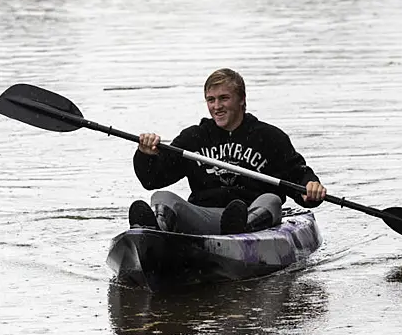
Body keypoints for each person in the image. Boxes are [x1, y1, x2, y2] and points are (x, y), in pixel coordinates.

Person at [128, 68, 327, 235]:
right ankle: (156, 233)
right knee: (162, 197)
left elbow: (298, 176)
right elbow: (151, 180)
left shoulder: (270, 137)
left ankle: (242, 227)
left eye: (224, 98)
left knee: (272, 200)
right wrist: (145, 154)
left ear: (241, 99)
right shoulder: (193, 137)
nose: (217, 106)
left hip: (254, 217)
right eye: (211, 100)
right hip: (205, 216)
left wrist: (310, 188)